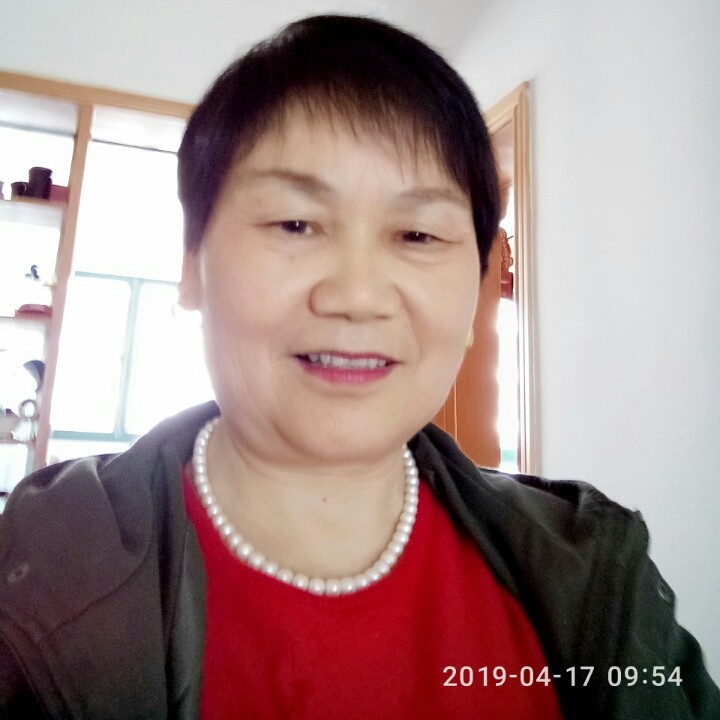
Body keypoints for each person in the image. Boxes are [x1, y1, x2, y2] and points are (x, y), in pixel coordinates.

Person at [0, 14, 718, 720]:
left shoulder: (593, 575)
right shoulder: (39, 582)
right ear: (192, 266)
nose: (358, 295)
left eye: (417, 234)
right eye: (294, 224)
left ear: (476, 288)